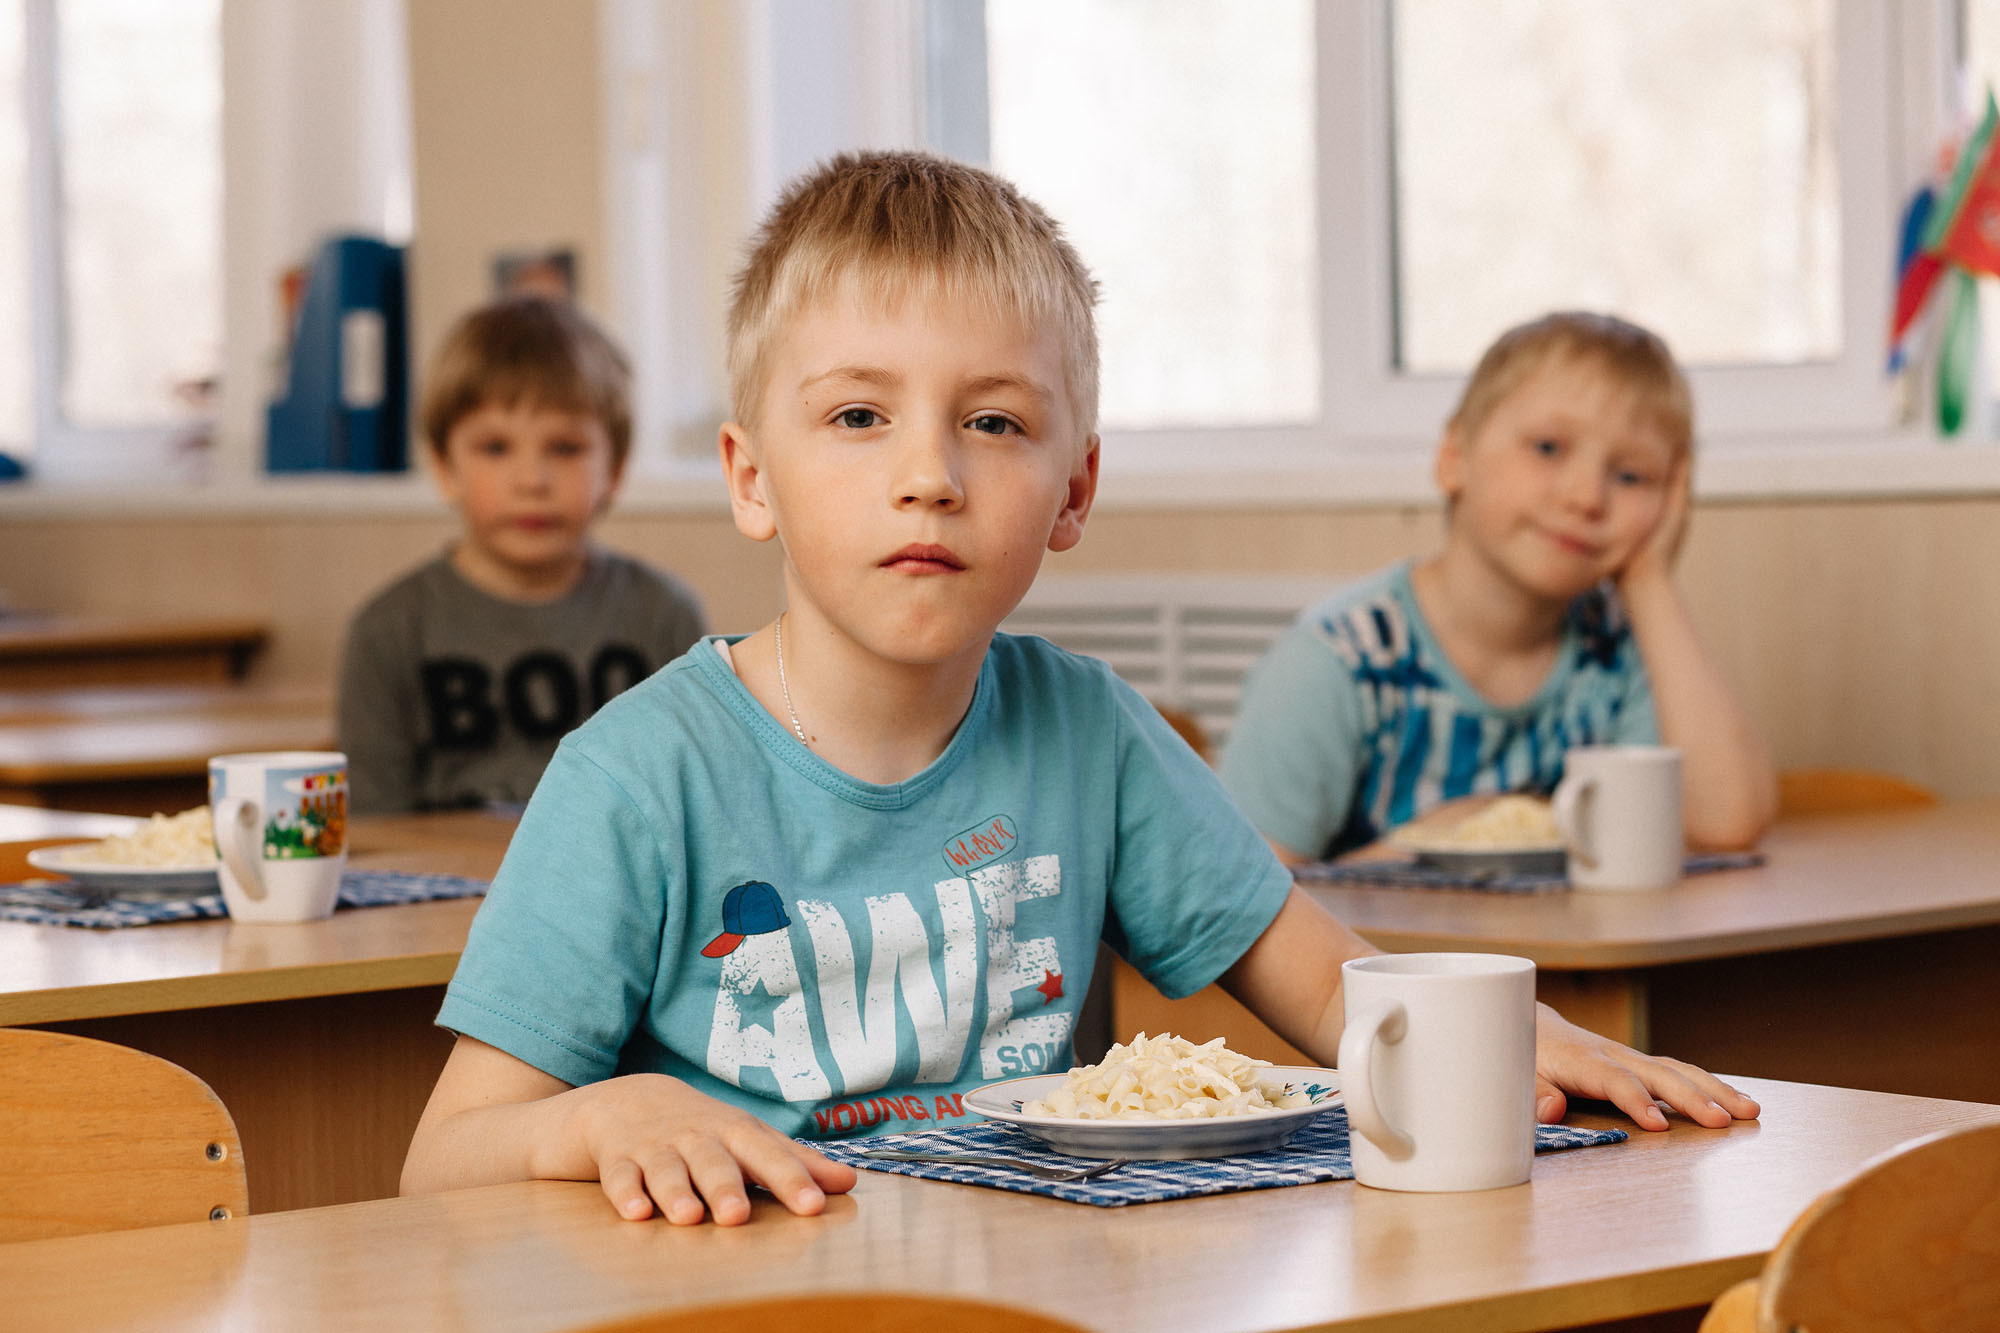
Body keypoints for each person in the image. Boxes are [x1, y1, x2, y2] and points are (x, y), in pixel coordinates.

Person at [400, 154, 1758, 1228]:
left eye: (993, 421)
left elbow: (1327, 985)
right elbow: (440, 1163)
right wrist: (594, 1119)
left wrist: (1516, 1034)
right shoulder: (637, 777)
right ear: (753, 478)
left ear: (1075, 489)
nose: (929, 472)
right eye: (859, 416)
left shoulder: (1092, 733)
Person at [1220, 312, 1777, 864]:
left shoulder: (1616, 651)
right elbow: (1237, 910)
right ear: (1454, 458)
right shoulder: (1335, 663)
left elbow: (1724, 823)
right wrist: (1421, 851)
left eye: (1632, 477)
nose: (1587, 497)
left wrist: (1651, 579)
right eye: (1548, 448)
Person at [337, 296, 707, 814]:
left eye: (564, 448)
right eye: (495, 448)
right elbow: (374, 826)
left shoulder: (663, 614)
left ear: (615, 470)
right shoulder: (389, 631)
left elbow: (693, 802)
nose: (532, 480)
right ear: (445, 468)